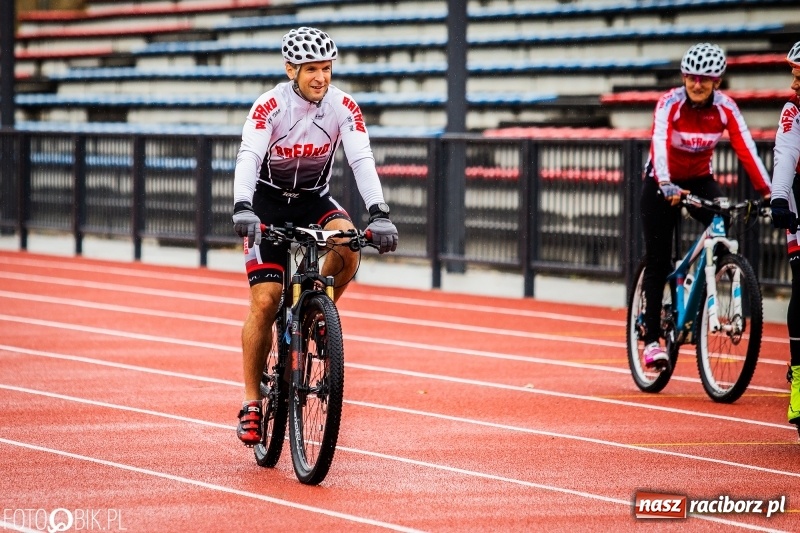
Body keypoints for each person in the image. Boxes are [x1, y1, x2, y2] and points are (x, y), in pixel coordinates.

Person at [231, 26, 398, 446]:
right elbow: (249, 155)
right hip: (266, 204)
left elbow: (361, 158)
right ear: (291, 70)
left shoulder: (343, 106)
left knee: (349, 245)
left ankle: (317, 315)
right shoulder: (270, 105)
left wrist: (379, 213)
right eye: (311, 69)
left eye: (326, 68)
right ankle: (251, 402)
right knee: (266, 301)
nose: (321, 77)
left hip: (313, 200)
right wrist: (243, 207)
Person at [639, 42, 772, 370]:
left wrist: (770, 193)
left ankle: (702, 284)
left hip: (699, 178)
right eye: (691, 77)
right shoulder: (669, 103)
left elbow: (746, 148)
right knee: (658, 259)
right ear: (683, 77)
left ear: (717, 82)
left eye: (705, 79)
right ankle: (651, 339)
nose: (697, 84)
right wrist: (666, 183)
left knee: (722, 223)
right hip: (661, 182)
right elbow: (658, 141)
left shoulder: (726, 108)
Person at [770, 41, 800, 433]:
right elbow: (786, 153)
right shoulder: (793, 110)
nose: (794, 82)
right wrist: (779, 197)